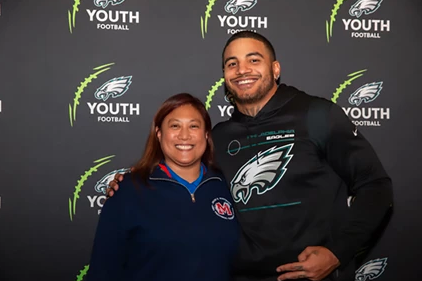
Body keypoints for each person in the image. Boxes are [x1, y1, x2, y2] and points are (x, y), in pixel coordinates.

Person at [108, 31, 393, 281]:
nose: (242, 70)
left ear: (276, 68)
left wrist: (337, 252)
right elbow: (183, 179)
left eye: (253, 60)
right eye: (232, 64)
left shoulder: (318, 115)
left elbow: (376, 187)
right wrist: (131, 184)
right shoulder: (217, 137)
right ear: (225, 75)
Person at [87, 93, 239, 281]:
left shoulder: (225, 185)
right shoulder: (127, 191)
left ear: (206, 134)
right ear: (159, 134)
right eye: (175, 126)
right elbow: (102, 271)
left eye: (194, 126)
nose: (184, 135)